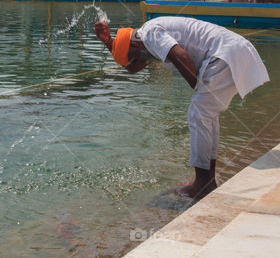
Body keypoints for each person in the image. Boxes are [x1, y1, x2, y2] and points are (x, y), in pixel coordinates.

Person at [94, 16, 269, 199]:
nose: (140, 63)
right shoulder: (146, 38)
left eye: (135, 57)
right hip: (233, 51)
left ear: (135, 45)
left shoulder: (150, 34)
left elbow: (182, 57)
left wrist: (196, 86)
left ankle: (202, 184)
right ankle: (207, 182)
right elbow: (132, 68)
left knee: (199, 114)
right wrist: (108, 42)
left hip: (225, 54)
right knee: (206, 116)